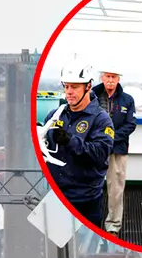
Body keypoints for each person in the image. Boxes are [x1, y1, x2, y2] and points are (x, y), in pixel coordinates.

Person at [42, 62, 114, 229]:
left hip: (84, 201)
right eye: (66, 86)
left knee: (83, 252)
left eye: (74, 87)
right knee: (53, 248)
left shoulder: (101, 120)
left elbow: (100, 154)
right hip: (57, 196)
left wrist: (70, 140)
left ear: (88, 86)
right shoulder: (55, 115)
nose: (68, 92)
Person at [92, 67, 138, 234]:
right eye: (107, 76)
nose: (110, 80)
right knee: (89, 186)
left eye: (113, 77)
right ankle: (90, 223)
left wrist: (112, 138)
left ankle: (113, 226)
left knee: (116, 189)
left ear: (119, 80)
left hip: (117, 150)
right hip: (94, 149)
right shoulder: (92, 97)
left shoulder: (127, 100)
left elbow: (130, 124)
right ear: (102, 78)